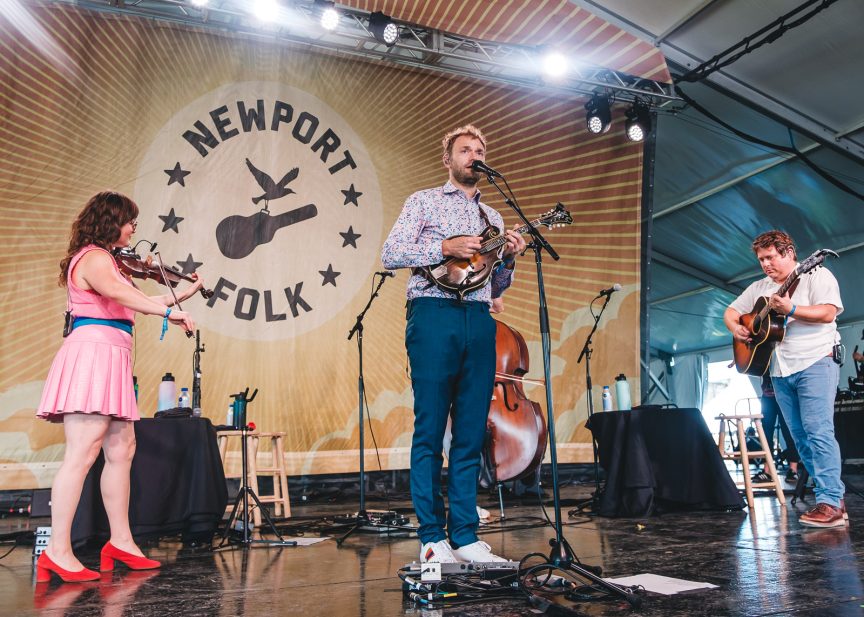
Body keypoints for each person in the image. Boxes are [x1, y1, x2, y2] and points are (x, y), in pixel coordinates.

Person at [35, 191, 200, 583]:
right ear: (111, 221)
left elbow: (134, 299)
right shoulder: (94, 258)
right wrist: (170, 311)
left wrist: (183, 294)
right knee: (83, 451)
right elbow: (123, 294)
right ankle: (56, 551)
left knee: (122, 447)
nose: (133, 229)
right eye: (130, 222)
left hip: (111, 356)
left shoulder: (107, 261)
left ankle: (121, 541)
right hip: (92, 355)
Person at [381, 125, 526, 563]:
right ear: (449, 159)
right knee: (430, 429)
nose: (474, 155)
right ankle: (431, 537)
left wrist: (511, 258)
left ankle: (464, 535)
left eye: (480, 150)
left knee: (468, 432)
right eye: (465, 149)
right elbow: (391, 252)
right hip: (432, 314)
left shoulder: (494, 220)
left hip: (479, 318)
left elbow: (496, 282)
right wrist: (442, 245)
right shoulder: (422, 202)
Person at [724, 230, 845, 528]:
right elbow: (731, 312)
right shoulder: (760, 288)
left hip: (816, 361)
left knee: (818, 431)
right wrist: (736, 329)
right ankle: (828, 499)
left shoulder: (817, 275)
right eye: (761, 259)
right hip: (778, 370)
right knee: (800, 438)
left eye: (770, 257)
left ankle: (831, 502)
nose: (766, 264)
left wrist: (791, 309)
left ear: (789, 253)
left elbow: (828, 313)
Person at [751, 375, 799, 484]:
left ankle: (793, 469)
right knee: (765, 433)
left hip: (786, 392)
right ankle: (767, 471)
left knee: (788, 432)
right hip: (768, 394)